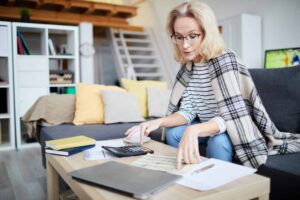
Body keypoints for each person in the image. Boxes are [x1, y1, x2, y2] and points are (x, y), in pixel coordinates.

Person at [125, 0, 300, 169]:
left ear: (207, 33)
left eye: (193, 36)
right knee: (173, 133)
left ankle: (217, 187)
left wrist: (194, 130)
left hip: (233, 128)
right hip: (209, 125)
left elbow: (232, 116)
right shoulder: (188, 68)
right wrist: (158, 122)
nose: (185, 45)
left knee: (218, 141)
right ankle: (187, 172)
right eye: (179, 37)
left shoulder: (225, 60)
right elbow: (188, 110)